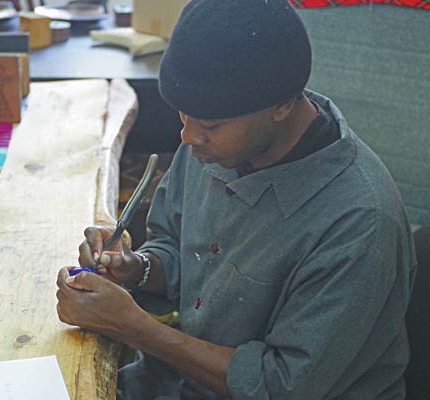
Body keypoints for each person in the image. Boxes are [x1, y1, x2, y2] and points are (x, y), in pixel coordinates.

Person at [56, 0, 417, 398]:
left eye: (210, 124)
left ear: (282, 105)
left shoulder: (360, 223)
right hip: (173, 383)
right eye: (182, 116)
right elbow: (178, 253)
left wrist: (133, 327)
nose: (188, 138)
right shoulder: (214, 143)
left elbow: (280, 385)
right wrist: (135, 267)